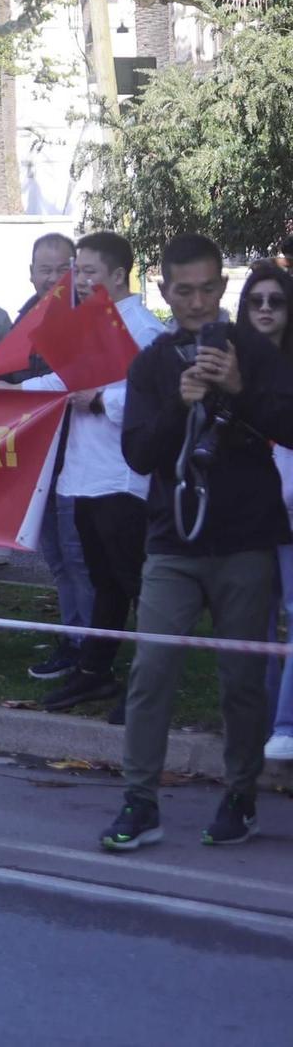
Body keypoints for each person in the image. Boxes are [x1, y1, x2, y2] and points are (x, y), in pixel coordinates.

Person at [104, 233, 293, 852]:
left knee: (241, 677)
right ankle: (140, 799)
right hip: (173, 542)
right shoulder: (152, 363)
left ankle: (240, 793)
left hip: (245, 538)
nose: (197, 301)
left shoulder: (255, 353)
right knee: (151, 668)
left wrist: (239, 388)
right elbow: (138, 452)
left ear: (222, 287)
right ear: (164, 290)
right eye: (183, 290)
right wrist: (179, 408)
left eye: (209, 288)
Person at [15, 232, 166, 712]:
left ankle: (148, 686)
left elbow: (155, 399)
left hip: (122, 478)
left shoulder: (144, 329)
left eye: (87, 272)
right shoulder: (90, 323)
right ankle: (94, 672)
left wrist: (101, 399)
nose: (76, 281)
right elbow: (63, 380)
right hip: (81, 475)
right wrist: (6, 393)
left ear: (119, 275)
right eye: (75, 271)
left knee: (137, 584)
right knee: (105, 582)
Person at [0, 233, 94, 680]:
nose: (52, 278)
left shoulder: (92, 319)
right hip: (40, 461)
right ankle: (74, 638)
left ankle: (89, 648)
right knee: (55, 557)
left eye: (62, 269)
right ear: (30, 273)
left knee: (78, 557)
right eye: (44, 269)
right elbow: (4, 376)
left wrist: (15, 392)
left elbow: (72, 380)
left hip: (81, 458)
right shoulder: (23, 320)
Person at [240, 265, 293, 762]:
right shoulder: (231, 364)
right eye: (256, 300)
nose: (265, 309)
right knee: (254, 620)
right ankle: (263, 725)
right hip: (248, 510)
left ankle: (286, 725)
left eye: (276, 301)